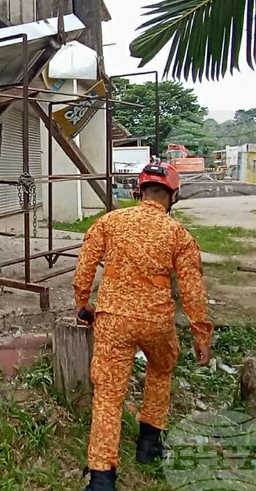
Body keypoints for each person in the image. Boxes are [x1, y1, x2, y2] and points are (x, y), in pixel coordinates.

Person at [74, 162, 213, 491]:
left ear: (138, 191)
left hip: (112, 319)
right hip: (157, 322)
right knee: (162, 368)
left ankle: (102, 478)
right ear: (173, 196)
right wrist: (201, 334)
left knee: (108, 395)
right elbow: (193, 289)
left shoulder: (109, 222)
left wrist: (82, 302)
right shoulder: (179, 235)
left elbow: (85, 266)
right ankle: (150, 443)